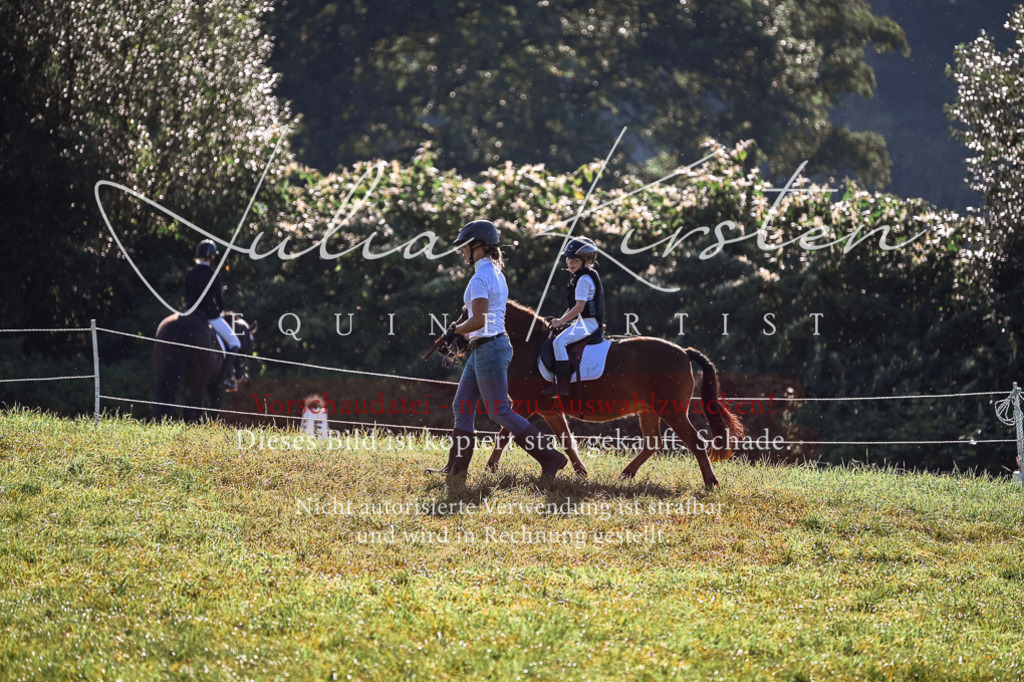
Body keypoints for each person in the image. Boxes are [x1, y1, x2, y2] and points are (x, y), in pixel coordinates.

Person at [426, 219, 568, 480]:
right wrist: (461, 334)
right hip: (486, 346)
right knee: (464, 405)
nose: (461, 252)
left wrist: (455, 331)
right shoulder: (495, 273)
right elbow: (484, 319)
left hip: (490, 348)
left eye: (464, 247)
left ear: (478, 246)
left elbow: (479, 319)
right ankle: (456, 469)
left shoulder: (480, 278)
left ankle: (551, 457)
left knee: (499, 410)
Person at [542, 237, 605, 396]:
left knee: (558, 342)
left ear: (586, 261)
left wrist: (561, 321)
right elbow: (574, 308)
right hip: (583, 322)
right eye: (568, 259)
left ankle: (562, 386)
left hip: (588, 324)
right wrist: (559, 321)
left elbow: (579, 307)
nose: (570, 263)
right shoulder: (582, 276)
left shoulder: (583, 279)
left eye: (575, 260)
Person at [185, 239, 242, 390]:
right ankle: (223, 379)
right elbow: (219, 299)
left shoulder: (190, 273)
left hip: (191, 314)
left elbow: (187, 296)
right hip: (210, 315)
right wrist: (219, 311)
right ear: (212, 257)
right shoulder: (213, 274)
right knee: (235, 343)